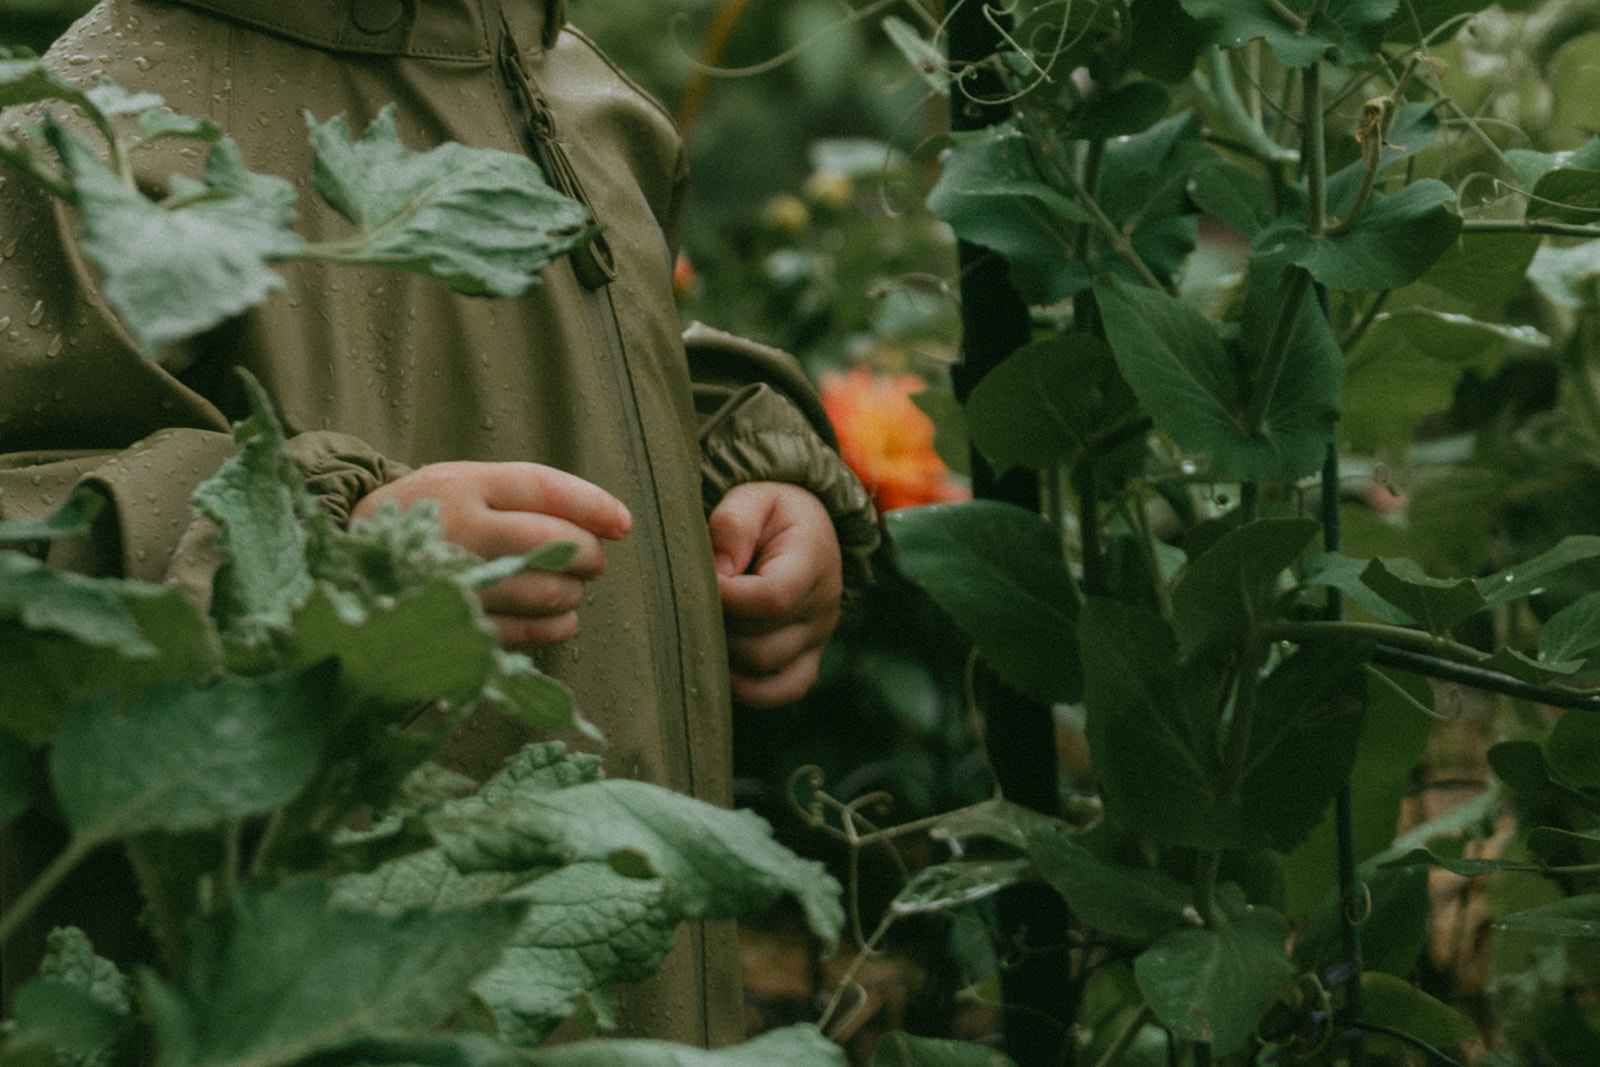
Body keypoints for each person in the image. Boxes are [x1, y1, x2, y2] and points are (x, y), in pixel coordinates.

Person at [0, 0, 879, 1046]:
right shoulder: (90, 136)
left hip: (633, 998)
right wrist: (318, 550)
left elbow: (552, 374)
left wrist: (731, 481)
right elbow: (32, 535)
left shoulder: (581, 97)